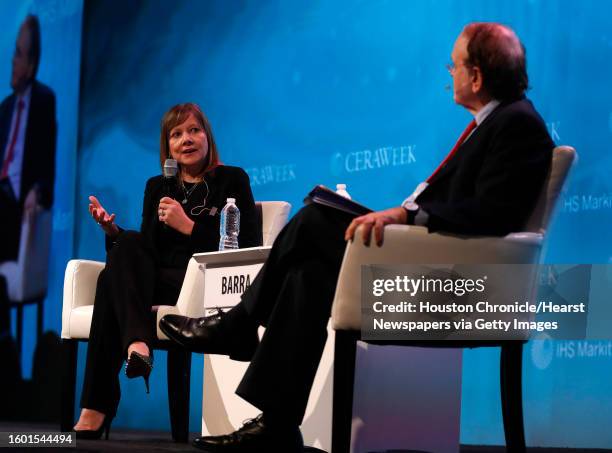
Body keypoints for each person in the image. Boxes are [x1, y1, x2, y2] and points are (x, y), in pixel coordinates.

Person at [160, 23, 554, 452]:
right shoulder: (496, 122)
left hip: (457, 286)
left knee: (314, 221)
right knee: (308, 274)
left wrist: (408, 215)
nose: (449, 74)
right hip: (431, 267)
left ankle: (237, 325)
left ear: (476, 76)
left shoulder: (517, 123)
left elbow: (492, 214)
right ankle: (276, 424)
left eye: (455, 65)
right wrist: (406, 218)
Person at [72, 103, 261, 439]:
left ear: (207, 137)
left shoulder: (232, 179)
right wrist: (113, 235)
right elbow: (144, 249)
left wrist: (189, 226)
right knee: (126, 244)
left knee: (107, 280)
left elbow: (248, 244)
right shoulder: (158, 186)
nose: (186, 139)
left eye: (194, 130)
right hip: (156, 279)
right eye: (176, 134)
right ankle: (137, 349)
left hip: (201, 282)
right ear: (167, 145)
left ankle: (97, 406)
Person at [0, 15, 56, 262]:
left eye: (19, 55)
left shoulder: (44, 101)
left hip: (17, 200)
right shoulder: (5, 107)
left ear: (32, 65)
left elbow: (47, 161)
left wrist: (37, 190)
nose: (12, 61)